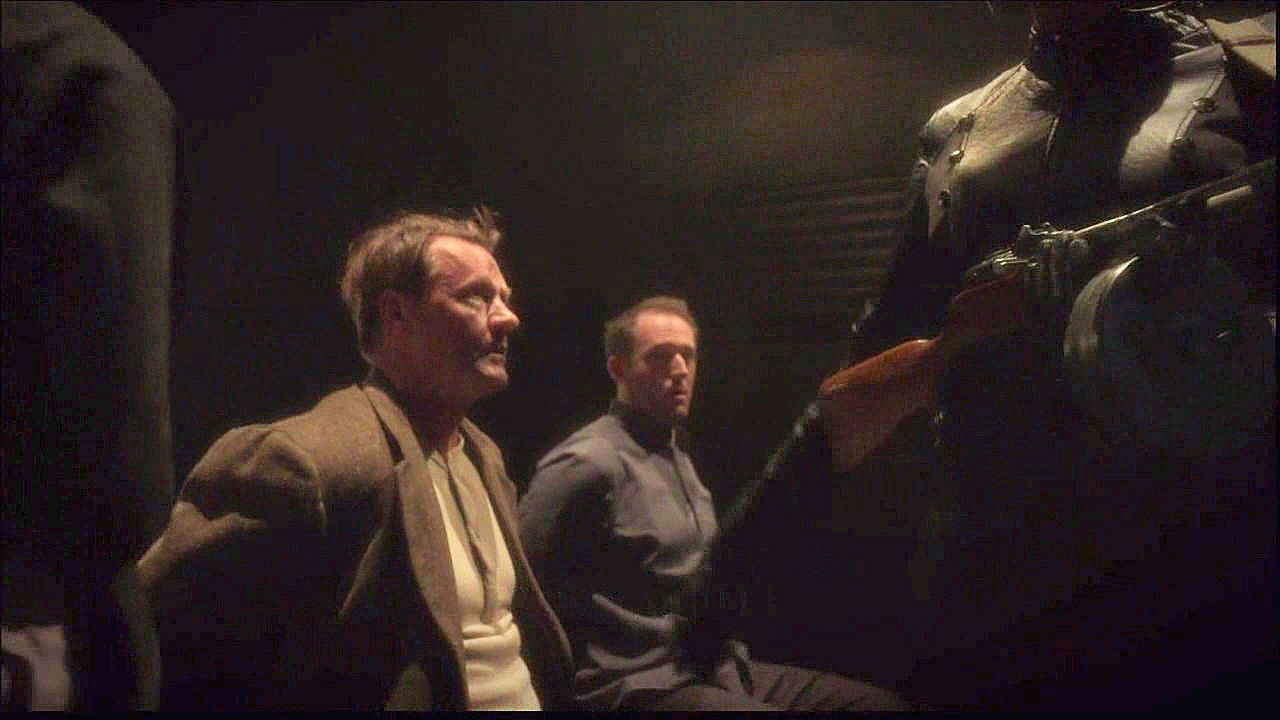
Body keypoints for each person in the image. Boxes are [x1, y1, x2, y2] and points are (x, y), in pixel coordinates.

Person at [761, 2, 1276, 710]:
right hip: (1006, 569)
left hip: (1213, 547)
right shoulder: (961, 128)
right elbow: (890, 333)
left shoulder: (1252, 68)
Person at [136, 209, 573, 710]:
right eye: (475, 296)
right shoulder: (305, 460)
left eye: (503, 298)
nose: (508, 317)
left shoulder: (483, 454)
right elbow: (161, 641)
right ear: (396, 315)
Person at [518, 296, 912, 711]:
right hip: (640, 683)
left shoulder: (676, 451)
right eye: (660, 356)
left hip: (712, 668)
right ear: (618, 369)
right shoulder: (587, 461)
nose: (679, 370)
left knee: (878, 706)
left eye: (687, 355)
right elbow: (521, 579)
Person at [2, 1, 178, 710]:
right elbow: (114, 398)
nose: (498, 315)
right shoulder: (73, 72)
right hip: (35, 605)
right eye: (476, 295)